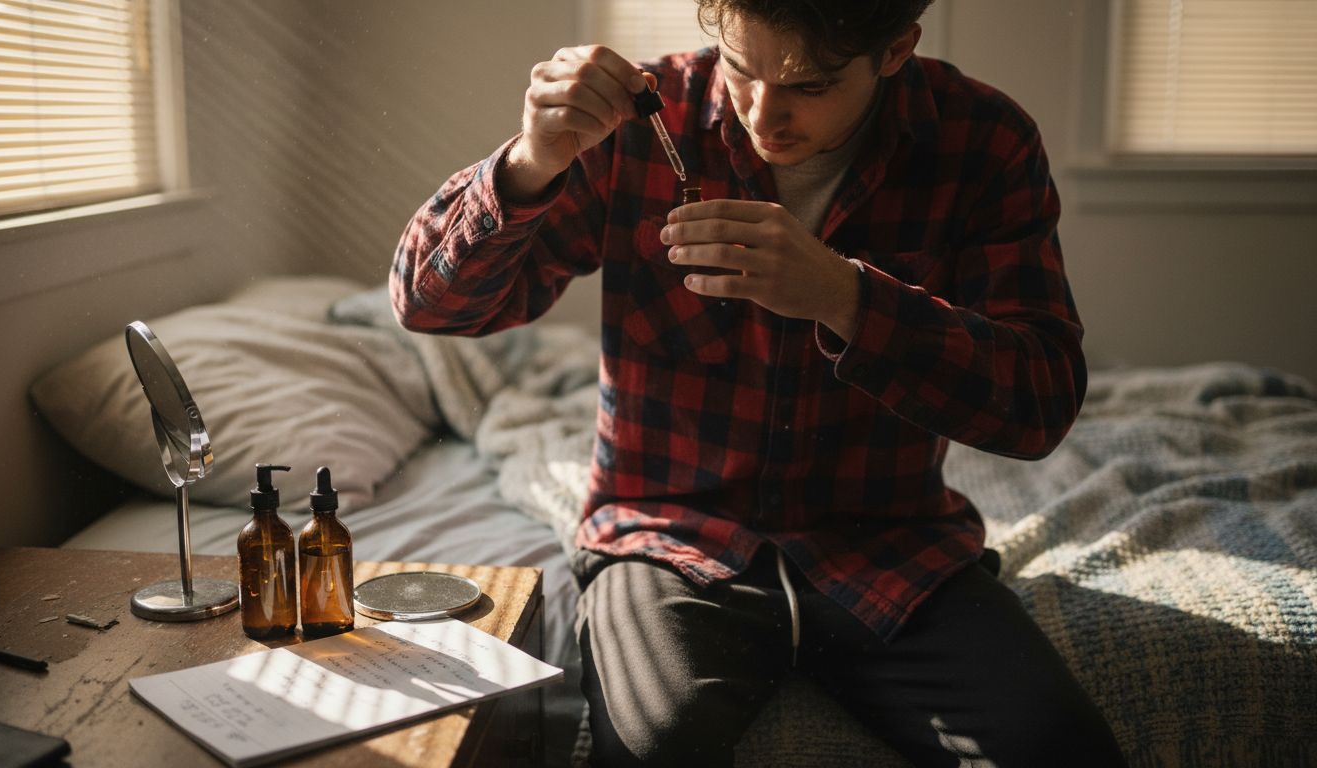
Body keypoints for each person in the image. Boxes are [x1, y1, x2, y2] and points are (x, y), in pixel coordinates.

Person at [391, 1, 1127, 765]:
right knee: (650, 748)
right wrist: (528, 163)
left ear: (896, 48)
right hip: (668, 538)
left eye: (810, 87)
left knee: (1062, 749)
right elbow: (427, 306)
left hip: (890, 546)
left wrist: (846, 298)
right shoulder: (649, 120)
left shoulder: (982, 139)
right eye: (741, 69)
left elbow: (1040, 405)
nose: (764, 115)